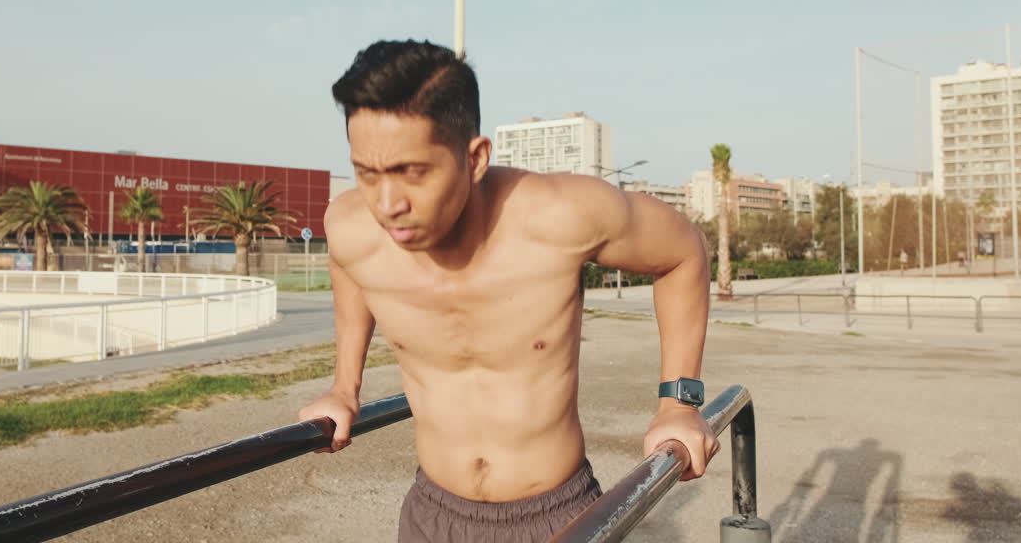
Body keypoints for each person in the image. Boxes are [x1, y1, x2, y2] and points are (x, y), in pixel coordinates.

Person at [298, 40, 717, 542]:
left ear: (474, 158)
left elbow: (683, 251)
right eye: (367, 173)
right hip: (432, 517)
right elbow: (348, 268)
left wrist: (679, 403)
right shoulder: (351, 226)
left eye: (412, 173)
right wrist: (345, 387)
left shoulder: (560, 215)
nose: (388, 204)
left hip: (555, 516)